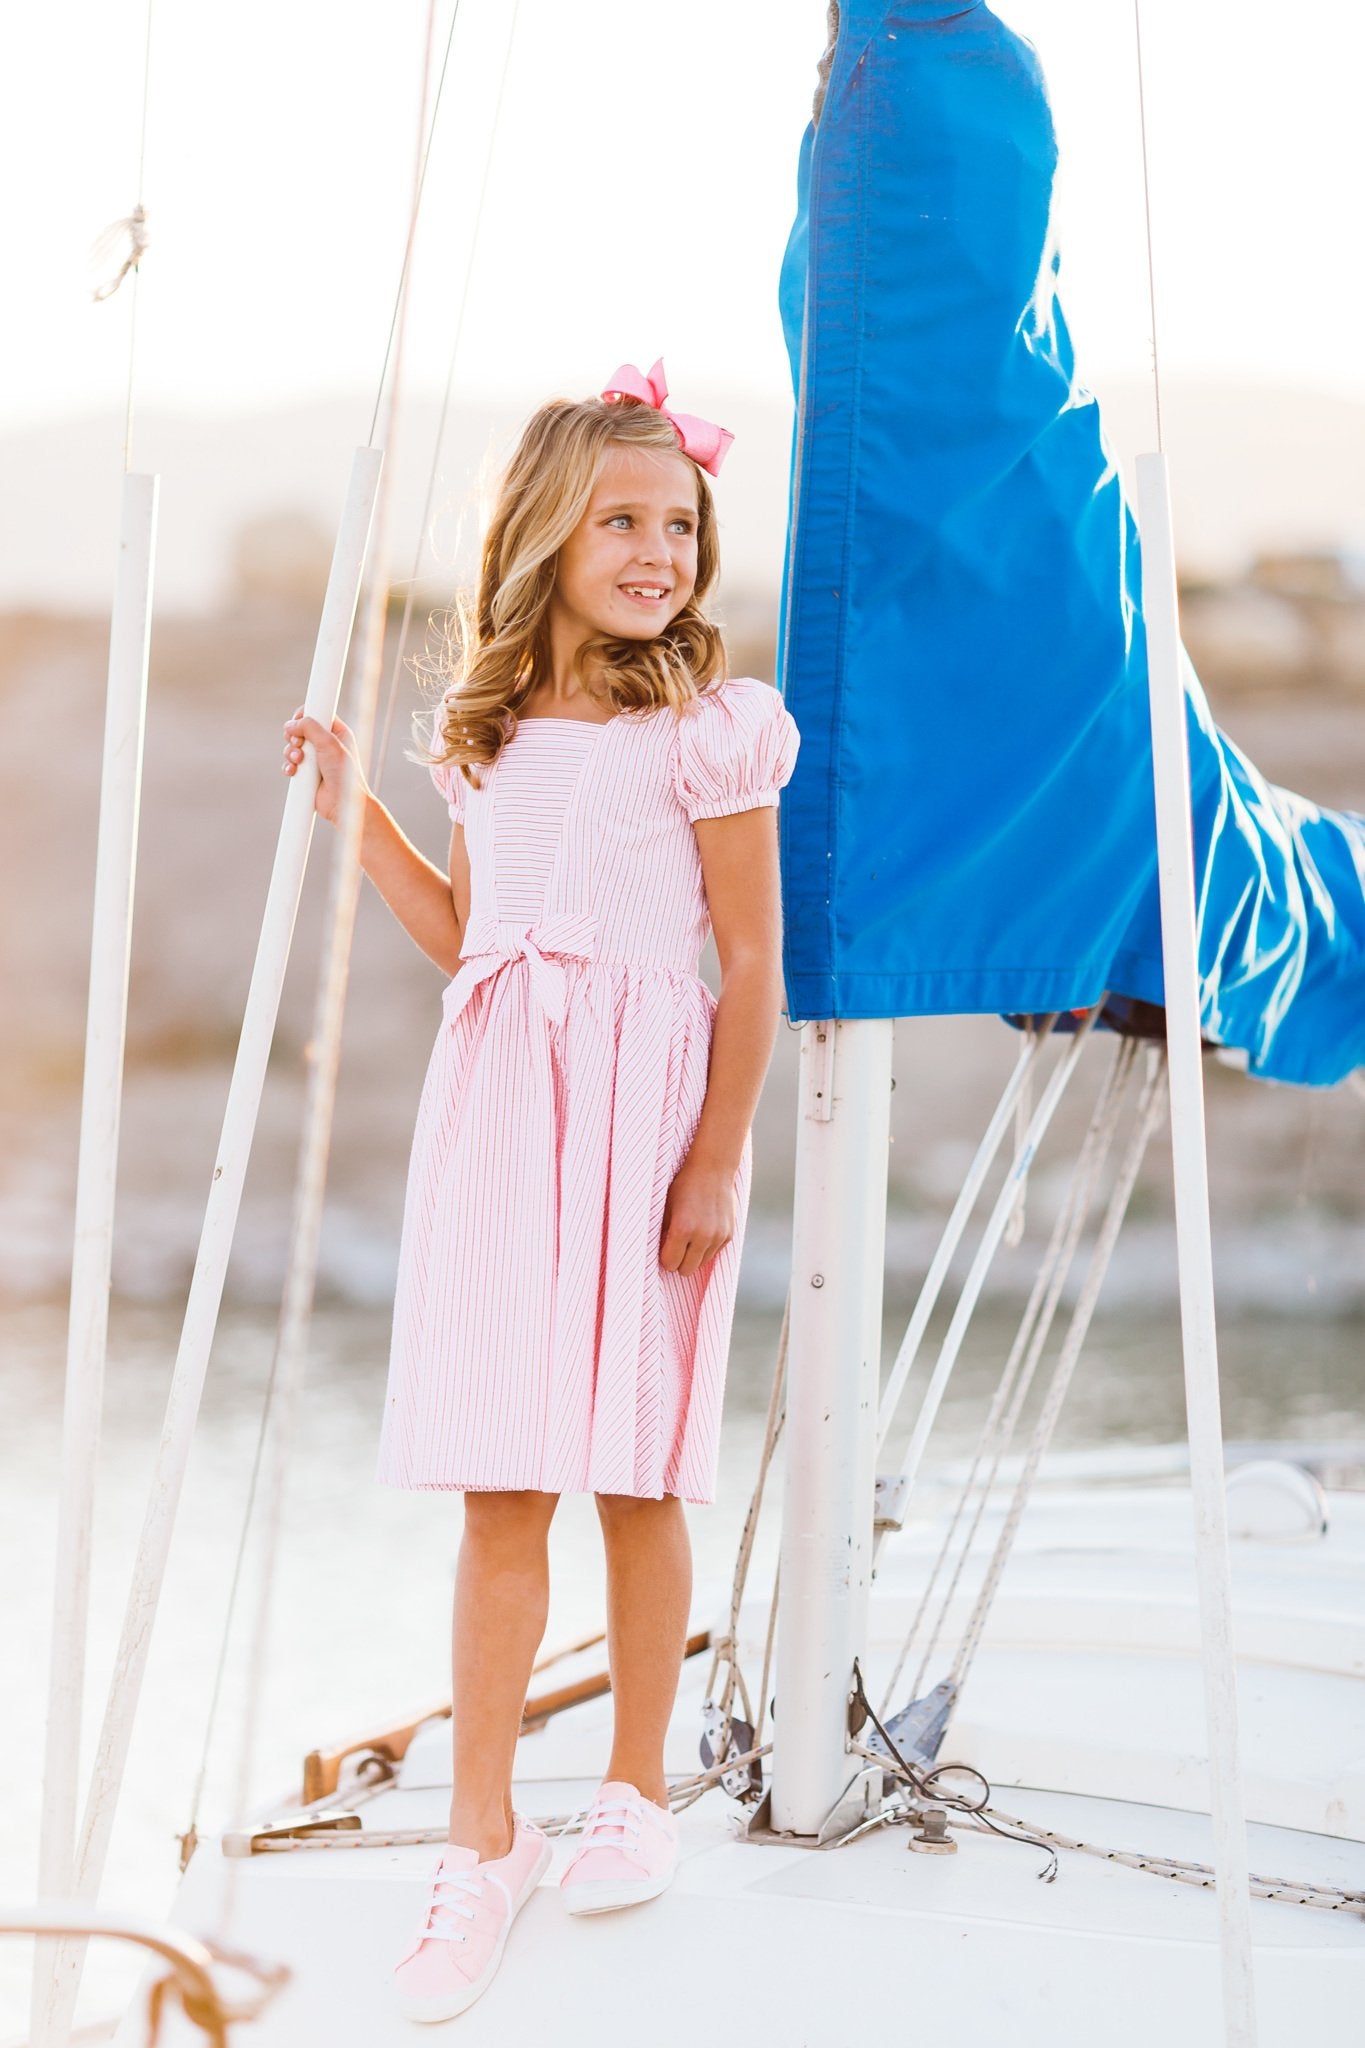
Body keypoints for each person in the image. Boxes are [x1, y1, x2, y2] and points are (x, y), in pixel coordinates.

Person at [281, 359, 799, 2023]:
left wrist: (716, 1152)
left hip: (646, 1116)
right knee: (502, 1486)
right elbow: (471, 934)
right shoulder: (490, 732)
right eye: (623, 519)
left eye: (680, 522)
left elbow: (748, 959)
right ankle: (482, 1837)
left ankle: (633, 1791)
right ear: (545, 531)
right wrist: (360, 814)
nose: (658, 549)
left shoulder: (708, 730)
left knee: (637, 1475)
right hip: (502, 1108)